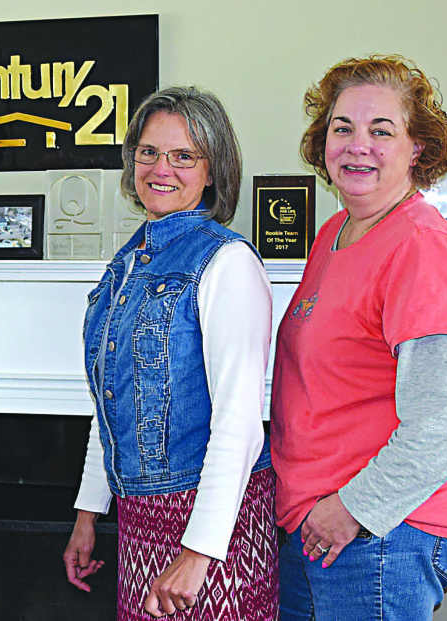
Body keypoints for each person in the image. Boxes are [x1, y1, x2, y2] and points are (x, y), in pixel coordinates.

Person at [272, 54, 447, 621]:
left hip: (381, 535)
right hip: (319, 526)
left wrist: (353, 510)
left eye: (381, 131)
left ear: (418, 149)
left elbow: (446, 418)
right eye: (343, 128)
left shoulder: (424, 248)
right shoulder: (336, 233)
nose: (358, 145)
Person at [63, 86, 277, 620]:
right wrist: (89, 513)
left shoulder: (227, 263)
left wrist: (199, 551)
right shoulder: (127, 263)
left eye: (184, 155)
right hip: (139, 516)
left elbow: (240, 422)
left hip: (211, 523)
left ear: (213, 171)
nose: (162, 168)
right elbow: (112, 402)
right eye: (149, 152)